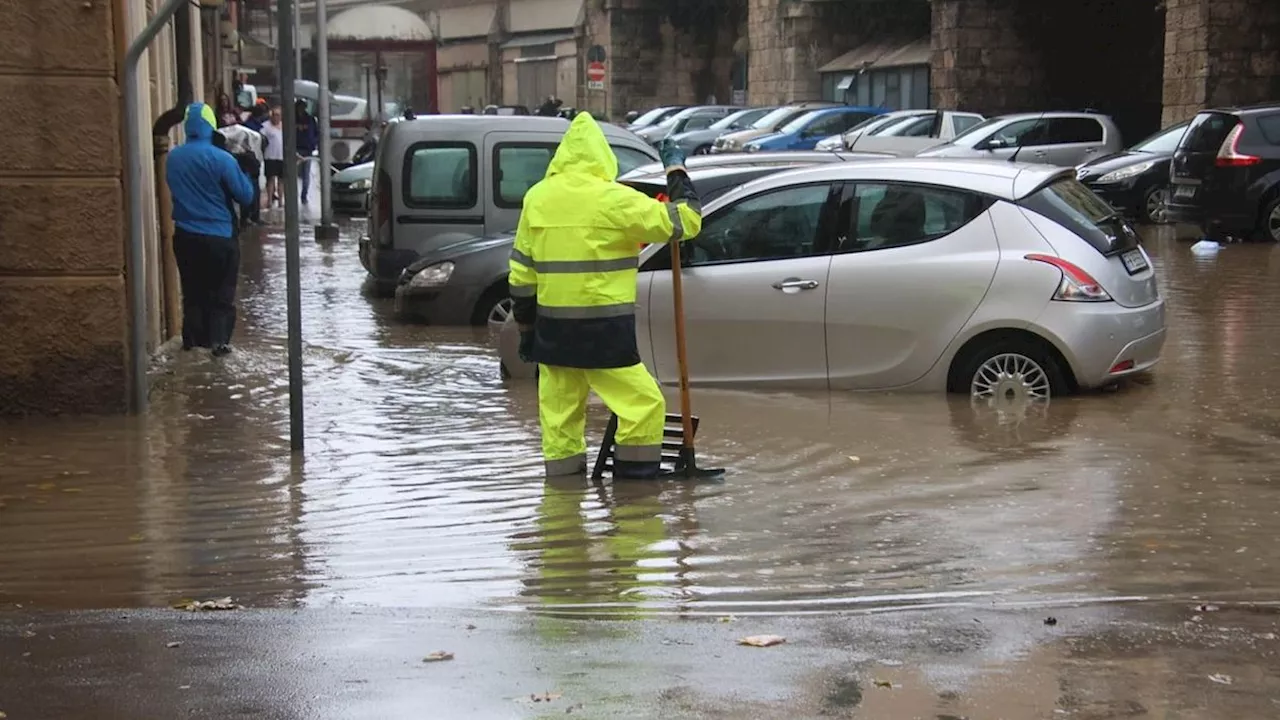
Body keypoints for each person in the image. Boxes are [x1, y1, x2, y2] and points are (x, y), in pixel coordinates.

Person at [508, 115, 702, 480]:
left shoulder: (537, 198)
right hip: (603, 333)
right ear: (603, 157)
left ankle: (561, 518)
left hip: (553, 336)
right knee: (643, 407)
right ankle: (634, 502)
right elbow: (686, 222)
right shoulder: (614, 199)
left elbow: (521, 275)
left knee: (559, 425)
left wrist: (527, 331)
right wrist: (677, 171)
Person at [165, 103, 255, 357]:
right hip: (220, 239)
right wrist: (246, 170)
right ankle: (219, 349)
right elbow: (245, 196)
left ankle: (193, 348)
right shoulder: (222, 159)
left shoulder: (173, 157)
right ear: (211, 127)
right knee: (221, 298)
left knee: (193, 296)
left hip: (185, 238)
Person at [216, 122, 265, 228]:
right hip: (248, 176)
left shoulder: (230, 155)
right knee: (250, 196)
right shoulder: (247, 153)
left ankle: (247, 218)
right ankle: (248, 218)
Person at [295, 99, 319, 205]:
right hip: (295, 149)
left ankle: (304, 196)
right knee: (294, 173)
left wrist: (313, 142)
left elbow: (316, 133)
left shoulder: (310, 119)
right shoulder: (292, 119)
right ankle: (293, 195)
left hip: (307, 148)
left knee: (306, 174)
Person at [261, 106, 284, 208]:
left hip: (282, 157)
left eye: (278, 115)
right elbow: (261, 139)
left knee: (281, 180)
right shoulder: (265, 126)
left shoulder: (284, 126)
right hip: (270, 156)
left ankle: (280, 201)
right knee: (270, 179)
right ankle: (270, 200)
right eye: (274, 115)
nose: (276, 117)